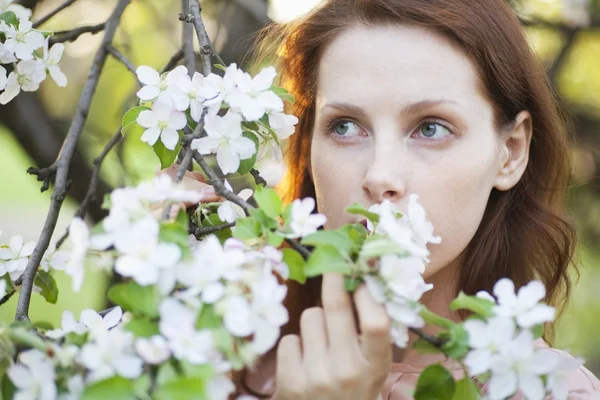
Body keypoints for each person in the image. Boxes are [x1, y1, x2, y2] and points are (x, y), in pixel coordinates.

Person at [165, 0, 600, 398]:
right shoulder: (211, 347)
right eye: (345, 126)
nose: (379, 176)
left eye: (430, 128)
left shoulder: (552, 391)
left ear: (512, 152)